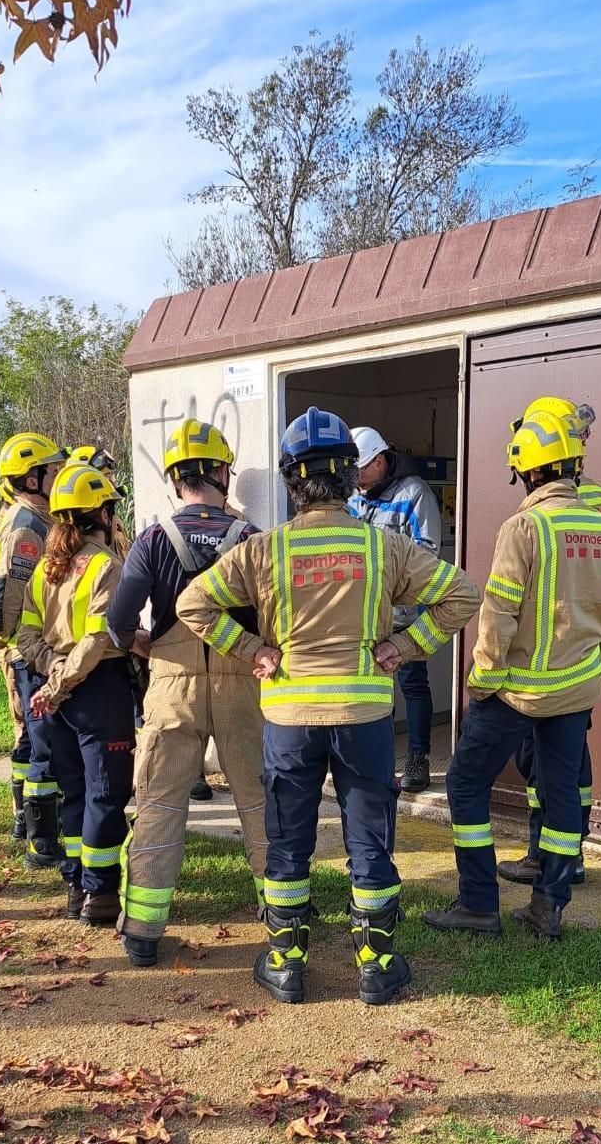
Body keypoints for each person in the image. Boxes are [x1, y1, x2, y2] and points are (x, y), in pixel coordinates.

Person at [178, 408, 479, 1006]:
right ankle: (377, 965)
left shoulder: (264, 550)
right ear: (348, 476)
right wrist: (404, 646)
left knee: (289, 840)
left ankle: (287, 965)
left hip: (289, 721)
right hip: (363, 718)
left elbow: (194, 605)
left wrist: (255, 651)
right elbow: (462, 595)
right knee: (369, 839)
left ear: (293, 480)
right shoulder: (384, 546)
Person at [423, 405, 601, 942]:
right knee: (563, 793)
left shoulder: (524, 527)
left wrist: (482, 681)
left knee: (465, 784)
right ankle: (549, 906)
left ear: (526, 470)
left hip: (513, 694)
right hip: (573, 696)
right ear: (571, 464)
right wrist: (596, 667)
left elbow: (497, 617)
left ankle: (478, 904)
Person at [107, 419, 267, 968]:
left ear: (177, 480)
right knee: (256, 798)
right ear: (223, 473)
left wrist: (151, 648)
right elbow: (272, 619)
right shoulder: (252, 539)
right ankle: (282, 914)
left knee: (159, 801)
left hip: (172, 685)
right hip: (242, 683)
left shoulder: (153, 540)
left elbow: (118, 622)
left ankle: (144, 933)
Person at [496, 398, 601, 889]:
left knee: (549, 762)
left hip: (544, 665)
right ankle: (560, 854)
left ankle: (549, 855)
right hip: (580, 661)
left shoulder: (552, 510)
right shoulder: (599, 502)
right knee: (564, 759)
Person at [15, 463, 135, 925]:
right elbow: (96, 639)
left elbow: (24, 637)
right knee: (106, 792)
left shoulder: (47, 567)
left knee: (74, 793)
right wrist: (62, 681)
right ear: (101, 514)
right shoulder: (107, 566)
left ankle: (73, 886)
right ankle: (100, 895)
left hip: (53, 696)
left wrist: (50, 676)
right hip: (95, 692)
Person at [0, 433, 67, 859]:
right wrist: (0, 634)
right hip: (30, 653)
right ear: (33, 480)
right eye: (53, 470)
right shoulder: (27, 527)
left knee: (34, 741)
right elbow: (8, 588)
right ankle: (43, 841)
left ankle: (33, 827)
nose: (60, 474)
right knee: (43, 744)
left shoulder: (32, 518)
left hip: (29, 650)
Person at [348, 426, 444, 793]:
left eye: (360, 470)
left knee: (412, 685)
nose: (354, 479)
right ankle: (380, 761)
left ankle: (418, 759)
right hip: (366, 617)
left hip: (406, 616)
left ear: (380, 460)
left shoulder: (414, 494)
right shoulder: (353, 499)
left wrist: (388, 582)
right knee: (375, 691)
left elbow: (427, 553)